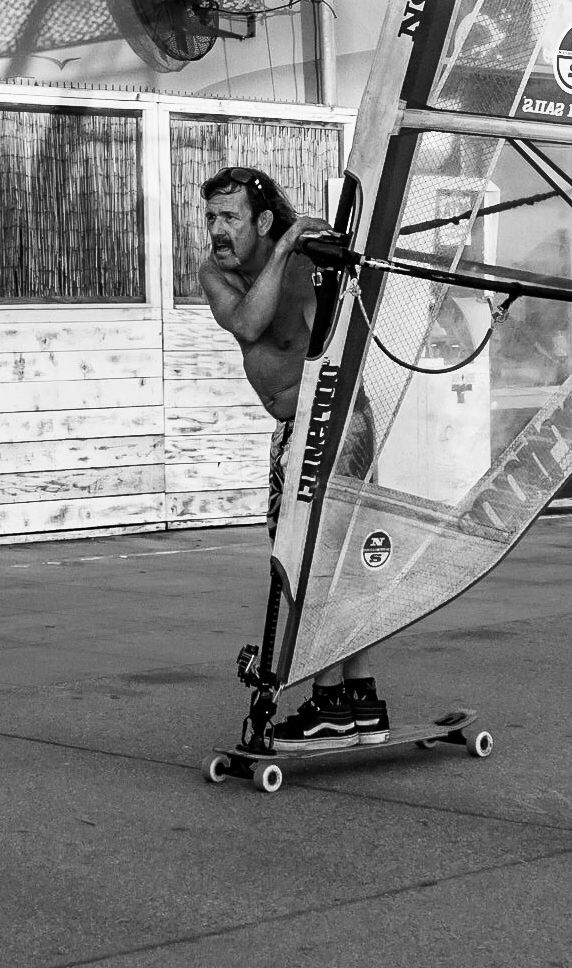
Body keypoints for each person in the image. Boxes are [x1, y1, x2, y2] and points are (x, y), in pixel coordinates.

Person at [198, 164, 389, 750]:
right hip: (293, 430)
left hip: (332, 417)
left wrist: (310, 246)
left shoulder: (307, 263)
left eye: (230, 217)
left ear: (259, 219)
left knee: (318, 556)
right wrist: (281, 248)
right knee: (316, 556)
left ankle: (334, 699)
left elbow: (353, 292)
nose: (217, 230)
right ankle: (359, 700)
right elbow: (249, 322)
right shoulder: (217, 273)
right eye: (211, 217)